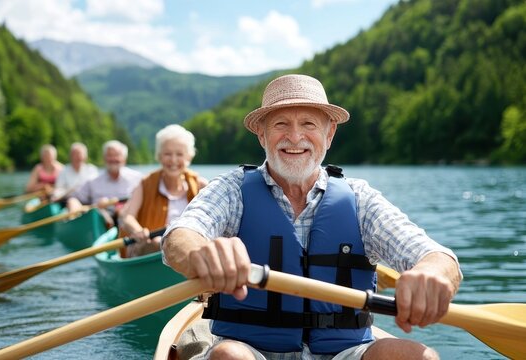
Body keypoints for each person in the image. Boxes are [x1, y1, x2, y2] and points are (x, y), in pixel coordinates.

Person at [162, 74, 462, 360]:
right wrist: (201, 253)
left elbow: (437, 256)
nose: (295, 137)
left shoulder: (360, 199)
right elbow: (180, 236)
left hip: (345, 352)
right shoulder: (232, 190)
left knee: (416, 356)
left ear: (328, 134)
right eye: (281, 124)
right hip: (251, 349)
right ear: (262, 135)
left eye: (308, 124)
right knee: (228, 356)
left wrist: (433, 274)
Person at [119, 124, 208, 258]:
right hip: (148, 248)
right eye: (167, 154)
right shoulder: (145, 183)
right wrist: (137, 230)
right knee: (156, 243)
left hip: (189, 248)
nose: (173, 160)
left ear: (188, 157)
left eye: (179, 154)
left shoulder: (201, 185)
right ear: (159, 156)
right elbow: (127, 217)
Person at [66, 140, 143, 215]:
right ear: (104, 158)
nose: (113, 159)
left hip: (129, 217)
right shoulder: (93, 181)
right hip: (101, 221)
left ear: (124, 159)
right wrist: (74, 208)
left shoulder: (137, 178)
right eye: (109, 155)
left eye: (117, 155)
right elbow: (74, 198)